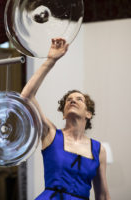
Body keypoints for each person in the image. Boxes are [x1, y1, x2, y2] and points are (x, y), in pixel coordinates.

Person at [21, 38, 111, 200]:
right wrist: (51, 60)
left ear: (88, 114)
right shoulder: (51, 134)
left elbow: (102, 194)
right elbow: (26, 97)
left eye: (79, 99)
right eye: (69, 100)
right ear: (63, 114)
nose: (72, 100)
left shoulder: (99, 150)